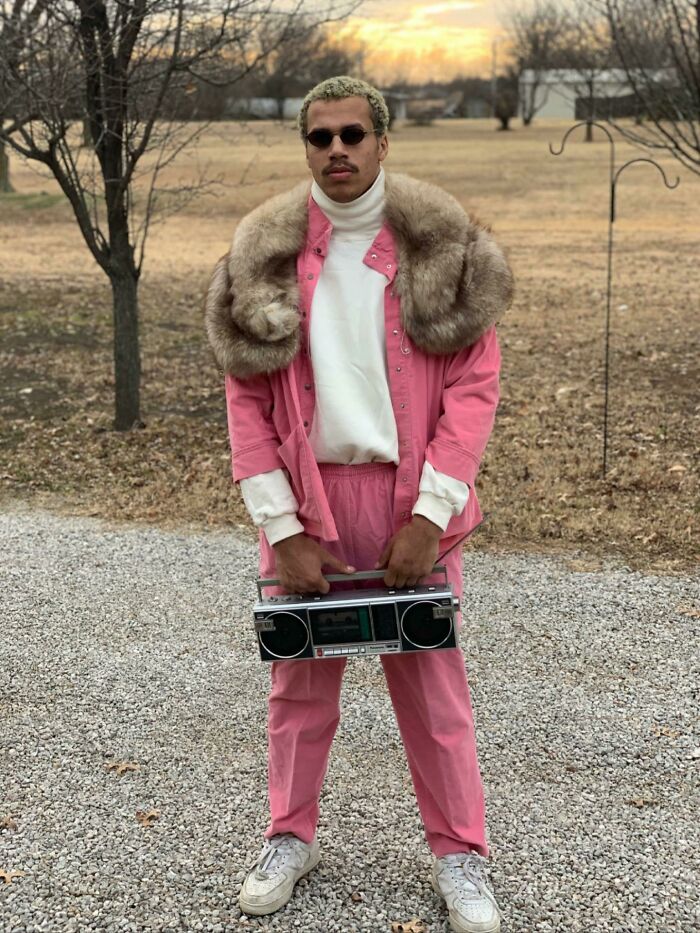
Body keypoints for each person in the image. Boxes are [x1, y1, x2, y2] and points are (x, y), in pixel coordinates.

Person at [204, 76, 513, 933]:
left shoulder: (439, 253)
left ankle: (461, 855)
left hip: (411, 501)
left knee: (434, 692)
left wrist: (431, 513)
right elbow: (247, 410)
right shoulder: (260, 260)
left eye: (352, 134)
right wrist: (282, 526)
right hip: (310, 507)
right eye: (319, 137)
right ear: (303, 146)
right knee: (298, 692)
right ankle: (287, 835)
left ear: (383, 140)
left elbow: (473, 390)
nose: (335, 150)